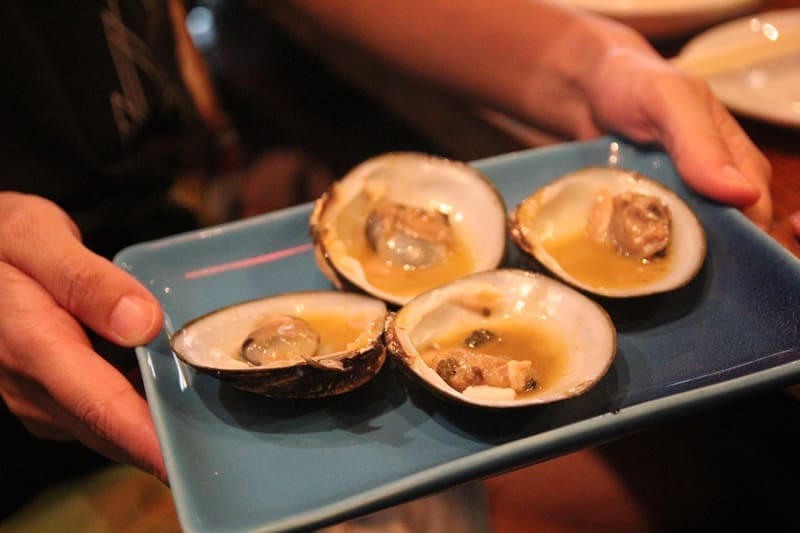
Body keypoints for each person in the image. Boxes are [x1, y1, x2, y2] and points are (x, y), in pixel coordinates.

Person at [0, 0, 774, 525]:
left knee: (726, 464)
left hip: (191, 233)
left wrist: (590, 62)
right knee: (717, 478)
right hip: (48, 445)